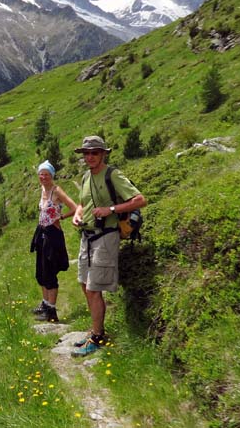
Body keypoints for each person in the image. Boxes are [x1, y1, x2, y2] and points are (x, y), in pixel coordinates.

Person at [71, 136, 147, 356]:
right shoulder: (86, 176)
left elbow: (140, 200)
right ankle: (96, 329)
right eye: (86, 153)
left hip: (106, 236)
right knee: (84, 284)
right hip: (87, 236)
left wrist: (110, 210)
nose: (90, 157)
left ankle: (97, 337)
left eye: (95, 152)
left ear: (104, 153)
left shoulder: (112, 174)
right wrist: (77, 215)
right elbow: (82, 204)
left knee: (94, 289)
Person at [30, 160, 78, 323]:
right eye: (41, 174)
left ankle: (51, 310)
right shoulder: (43, 189)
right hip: (42, 232)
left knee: (50, 272)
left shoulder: (56, 191)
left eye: (46, 174)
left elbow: (75, 207)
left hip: (53, 234)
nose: (43, 177)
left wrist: (61, 217)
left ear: (52, 176)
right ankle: (45, 305)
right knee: (41, 272)